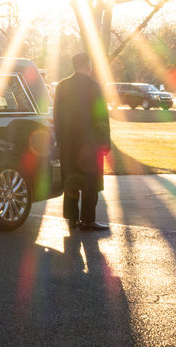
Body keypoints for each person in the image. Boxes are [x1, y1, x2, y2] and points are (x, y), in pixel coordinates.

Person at [53, 52, 112, 232]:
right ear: (87, 64)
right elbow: (101, 117)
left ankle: (71, 218)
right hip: (90, 144)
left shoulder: (62, 86)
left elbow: (56, 115)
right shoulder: (94, 87)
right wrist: (105, 144)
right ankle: (87, 220)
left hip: (69, 144)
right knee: (90, 182)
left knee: (71, 180)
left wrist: (60, 140)